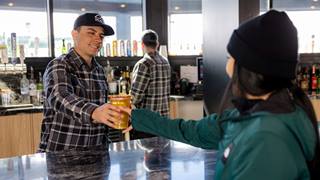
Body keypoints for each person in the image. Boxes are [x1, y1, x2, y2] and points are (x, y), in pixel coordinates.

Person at [121, 10, 320, 179]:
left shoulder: (266, 138)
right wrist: (137, 117)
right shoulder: (258, 114)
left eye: (229, 57)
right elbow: (192, 131)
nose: (226, 66)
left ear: (248, 68)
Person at [39, 13, 122, 152]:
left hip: (96, 156)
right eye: (91, 33)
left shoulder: (99, 71)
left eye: (101, 36)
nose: (98, 39)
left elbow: (101, 116)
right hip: (62, 157)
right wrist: (94, 112)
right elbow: (60, 97)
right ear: (74, 34)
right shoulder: (60, 65)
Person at [130, 29, 171, 139]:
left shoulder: (144, 64)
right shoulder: (165, 62)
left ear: (142, 44)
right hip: (164, 122)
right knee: (162, 154)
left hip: (147, 123)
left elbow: (135, 97)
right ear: (157, 44)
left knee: (143, 154)